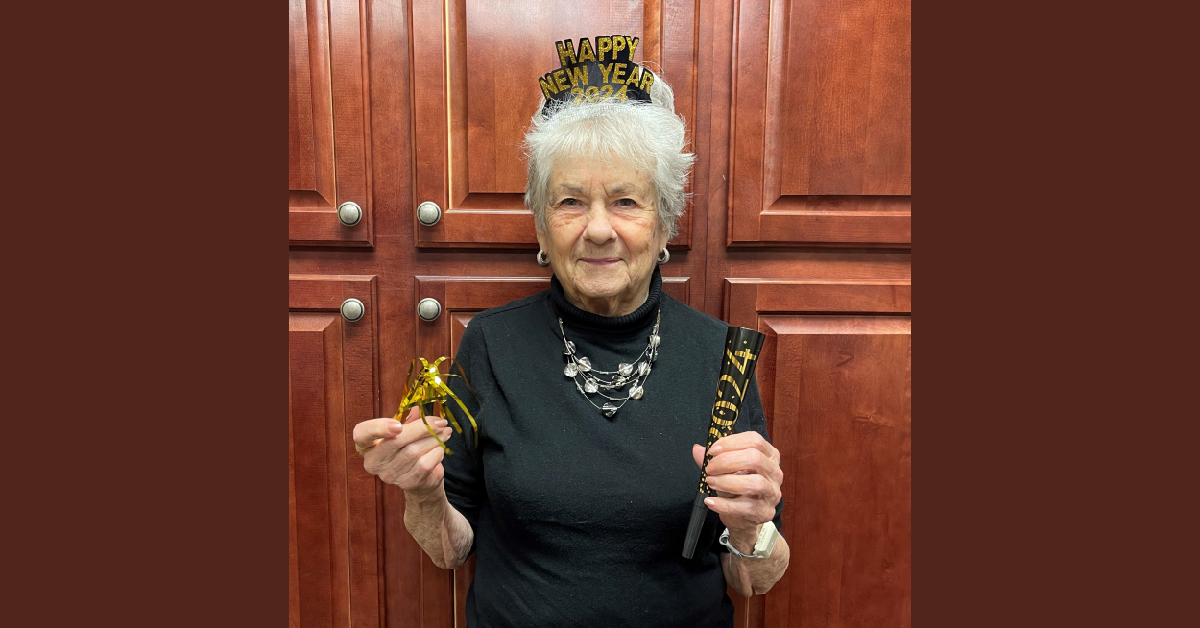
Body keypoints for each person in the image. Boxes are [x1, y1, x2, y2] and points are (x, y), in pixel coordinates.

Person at [353, 64, 789, 628]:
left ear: (665, 227)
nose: (600, 229)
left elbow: (752, 580)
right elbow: (449, 550)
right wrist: (423, 493)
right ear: (541, 227)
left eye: (627, 202)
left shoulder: (721, 358)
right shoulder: (489, 344)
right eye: (570, 202)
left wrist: (753, 526)